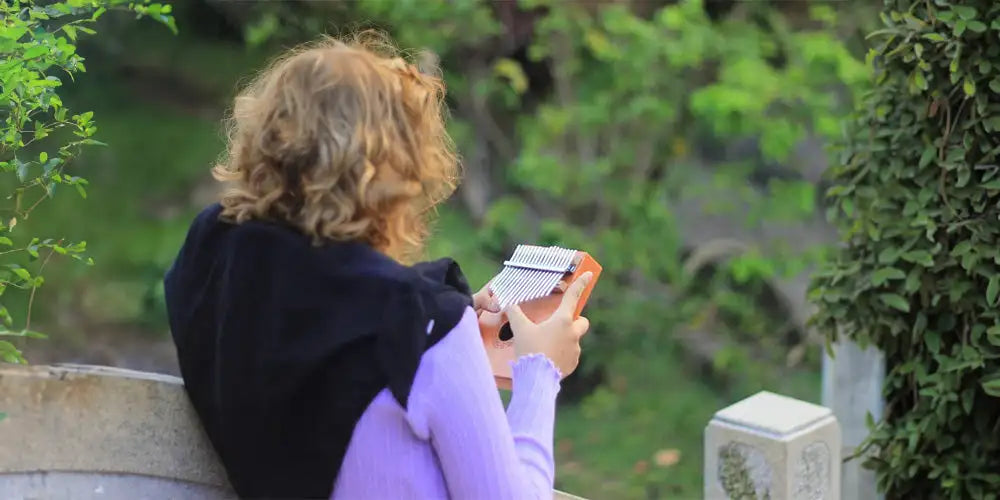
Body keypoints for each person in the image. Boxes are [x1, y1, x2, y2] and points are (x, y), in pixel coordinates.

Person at [163, 32, 592, 500]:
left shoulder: (213, 255)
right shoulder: (418, 328)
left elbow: (317, 316)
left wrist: (451, 313)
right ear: (395, 175)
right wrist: (538, 372)